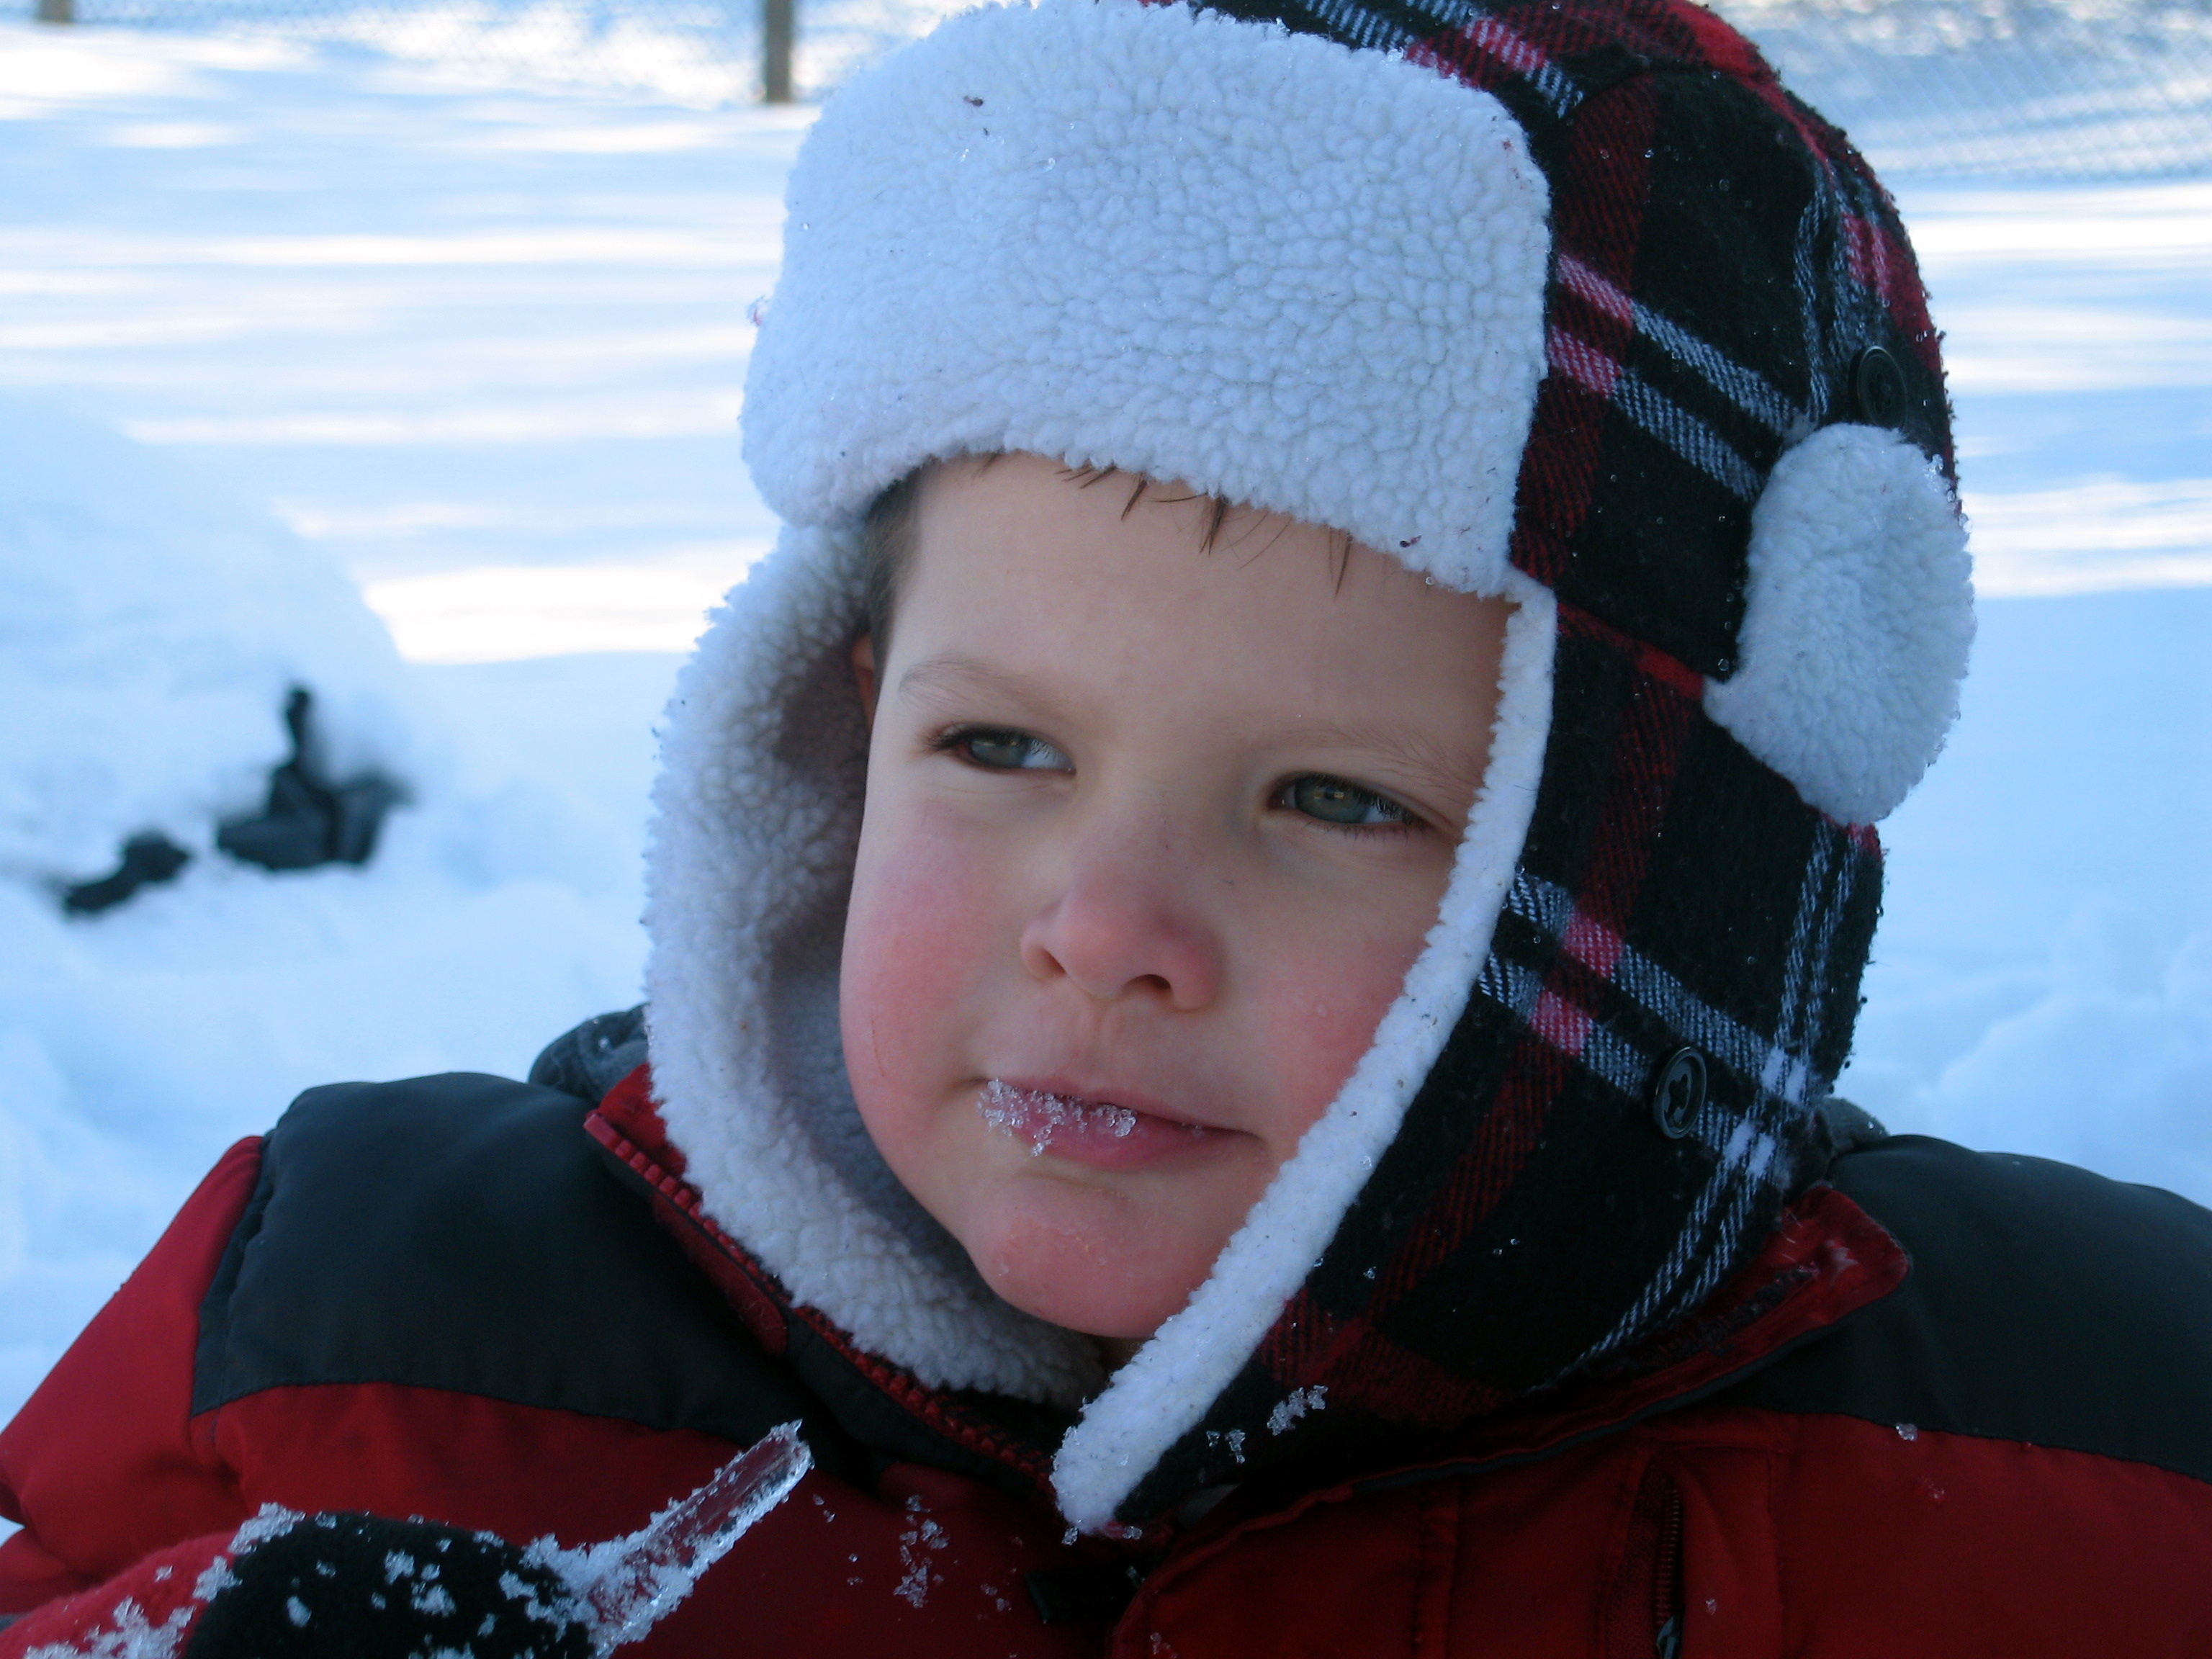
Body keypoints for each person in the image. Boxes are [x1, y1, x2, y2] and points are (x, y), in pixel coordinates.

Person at [4, 0, 2210, 1653]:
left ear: (1650, 895)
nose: (1105, 926)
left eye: (1330, 798)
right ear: (841, 724)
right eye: (1003, 750)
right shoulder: (368, 1339)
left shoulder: (2075, 1472)